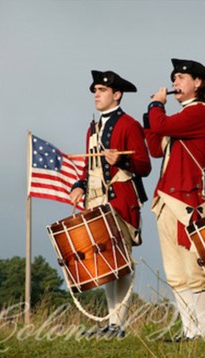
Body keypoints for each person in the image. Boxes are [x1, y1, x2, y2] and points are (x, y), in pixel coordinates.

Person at [70, 70, 151, 338]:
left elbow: (144, 166)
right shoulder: (91, 128)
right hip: (94, 201)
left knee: (121, 262)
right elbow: (87, 167)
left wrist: (122, 161)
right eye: (95, 90)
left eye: (102, 91)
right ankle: (111, 322)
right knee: (105, 264)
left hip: (119, 201)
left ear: (116, 95)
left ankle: (119, 324)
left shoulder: (129, 125)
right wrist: (78, 186)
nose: (96, 94)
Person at [143, 58, 205, 341]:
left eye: (180, 79)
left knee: (195, 271)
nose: (174, 83)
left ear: (197, 83)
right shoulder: (178, 120)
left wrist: (155, 106)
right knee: (176, 273)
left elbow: (160, 123)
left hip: (189, 201)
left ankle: (202, 334)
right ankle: (189, 332)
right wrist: (152, 117)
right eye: (174, 79)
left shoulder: (200, 112)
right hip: (167, 198)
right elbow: (154, 147)